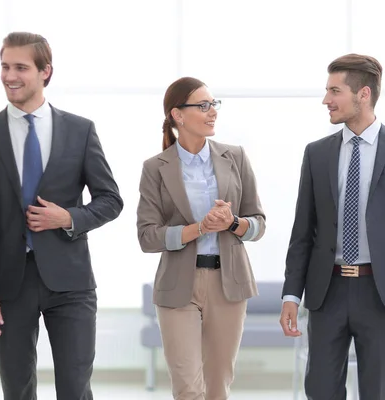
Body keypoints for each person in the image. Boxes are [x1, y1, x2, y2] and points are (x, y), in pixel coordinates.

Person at [0, 32, 123, 400]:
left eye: (20, 67)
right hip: (8, 286)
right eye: (5, 67)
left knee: (75, 388)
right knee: (17, 390)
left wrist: (66, 218)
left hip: (71, 282)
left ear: (45, 71)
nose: (10, 76)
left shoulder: (80, 130)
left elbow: (110, 200)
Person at [280, 53, 385, 399]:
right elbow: (302, 233)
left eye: (334, 91)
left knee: (377, 392)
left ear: (363, 94)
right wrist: (291, 294)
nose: (326, 100)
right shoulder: (316, 154)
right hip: (327, 291)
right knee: (320, 390)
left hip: (381, 295)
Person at [136, 76, 266, 400]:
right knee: (188, 389)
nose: (212, 112)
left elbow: (259, 223)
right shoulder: (156, 168)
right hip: (178, 286)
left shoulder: (234, 156)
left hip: (229, 283)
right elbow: (147, 236)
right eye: (203, 105)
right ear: (178, 115)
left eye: (214, 104)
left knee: (218, 387)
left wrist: (233, 222)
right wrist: (199, 228)